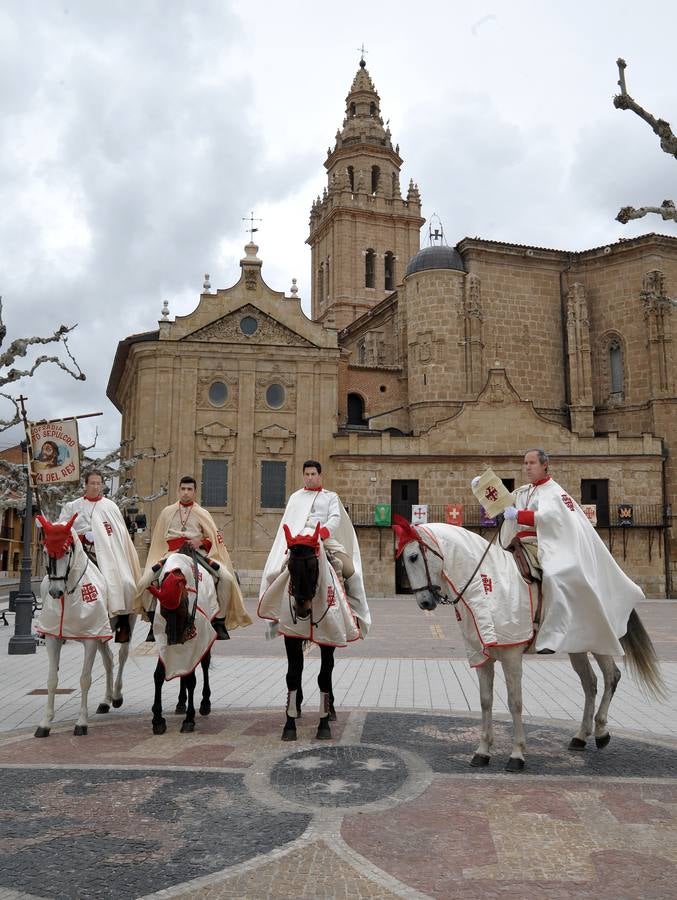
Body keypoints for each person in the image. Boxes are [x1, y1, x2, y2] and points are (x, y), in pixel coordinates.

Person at [495, 448, 643, 655]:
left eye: (532, 463)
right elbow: (502, 503)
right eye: (525, 463)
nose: (527, 467)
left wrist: (519, 515)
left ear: (544, 465)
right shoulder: (524, 490)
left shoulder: (555, 492)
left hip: (546, 543)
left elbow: (553, 518)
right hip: (518, 543)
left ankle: (551, 636)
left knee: (554, 577)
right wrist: (484, 490)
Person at [259, 460, 370, 638]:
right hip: (298, 540)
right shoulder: (295, 497)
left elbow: (335, 518)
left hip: (324, 540)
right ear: (303, 476)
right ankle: (275, 618)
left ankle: (356, 616)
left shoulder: (331, 496)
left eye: (313, 474)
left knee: (353, 573)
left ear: (320, 475)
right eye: (307, 475)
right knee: (274, 572)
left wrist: (321, 534)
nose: (310, 478)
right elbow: (289, 521)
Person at [135, 475, 251, 640]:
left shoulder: (202, 513)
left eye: (189, 489)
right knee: (145, 581)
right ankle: (154, 623)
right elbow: (158, 541)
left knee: (226, 578)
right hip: (172, 554)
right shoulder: (167, 512)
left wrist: (201, 542)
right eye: (183, 489)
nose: (186, 493)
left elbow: (214, 540)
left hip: (196, 554)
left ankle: (219, 621)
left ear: (195, 492)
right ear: (178, 490)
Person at [58, 469, 141, 642]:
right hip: (78, 554)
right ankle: (55, 622)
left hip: (107, 555)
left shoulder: (111, 506)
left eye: (98, 483)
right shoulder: (72, 506)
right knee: (55, 580)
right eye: (92, 483)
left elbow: (119, 535)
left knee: (126, 583)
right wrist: (81, 537)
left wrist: (102, 537)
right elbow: (62, 530)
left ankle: (123, 623)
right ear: (85, 485)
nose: (96, 486)